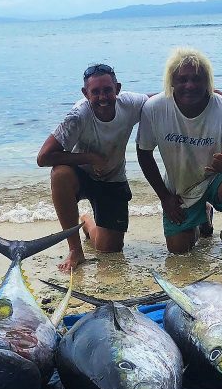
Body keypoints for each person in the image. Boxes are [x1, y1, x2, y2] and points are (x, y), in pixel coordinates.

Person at [136, 47, 222, 254]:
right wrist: (165, 197)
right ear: (171, 82)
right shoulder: (154, 108)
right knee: (180, 251)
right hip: (181, 187)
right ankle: (203, 216)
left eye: (197, 79)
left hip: (215, 180)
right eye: (182, 80)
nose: (189, 85)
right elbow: (143, 153)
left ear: (207, 82)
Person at [37, 63, 148, 271]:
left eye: (107, 90)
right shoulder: (78, 116)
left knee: (109, 249)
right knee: (59, 173)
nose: (102, 97)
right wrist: (90, 158)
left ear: (118, 88)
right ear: (85, 93)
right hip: (82, 176)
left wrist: (208, 92)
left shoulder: (131, 104)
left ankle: (87, 222)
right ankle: (75, 249)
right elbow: (43, 157)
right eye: (95, 92)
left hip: (112, 179)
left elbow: (164, 99)